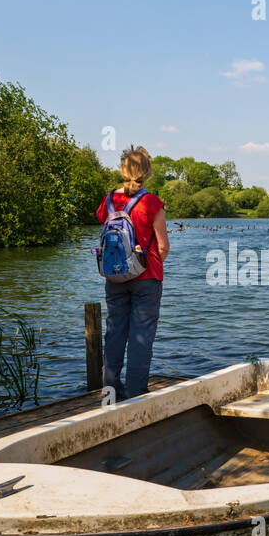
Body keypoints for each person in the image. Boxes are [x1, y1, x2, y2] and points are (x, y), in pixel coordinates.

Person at [97, 145, 169, 400]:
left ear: (122, 169)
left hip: (114, 276)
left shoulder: (109, 199)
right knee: (141, 336)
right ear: (147, 172)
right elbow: (162, 246)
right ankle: (137, 392)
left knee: (115, 331)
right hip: (146, 278)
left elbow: (106, 228)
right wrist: (146, 265)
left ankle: (110, 392)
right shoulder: (151, 201)